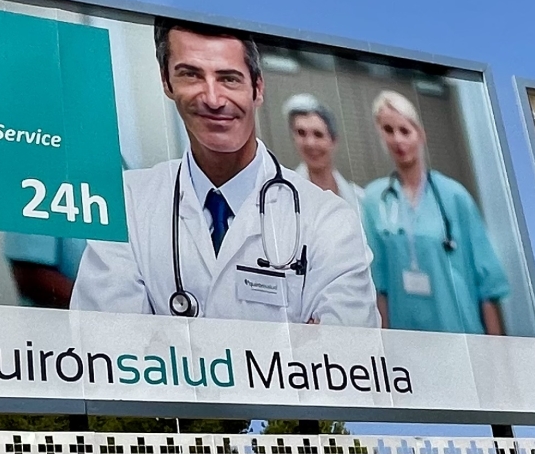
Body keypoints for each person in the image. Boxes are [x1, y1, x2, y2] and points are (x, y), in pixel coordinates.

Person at [69, 20, 377, 325]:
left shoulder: (330, 219)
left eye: (229, 79)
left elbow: (347, 352)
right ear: (166, 81)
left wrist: (161, 339)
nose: (213, 99)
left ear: (258, 88)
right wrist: (293, 344)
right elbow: (106, 345)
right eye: (191, 75)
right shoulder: (126, 204)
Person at [360, 90, 510, 335]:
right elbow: (378, 286)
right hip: (405, 337)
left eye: (405, 130)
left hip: (459, 332)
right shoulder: (374, 200)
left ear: (420, 134)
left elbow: (488, 286)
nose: (397, 139)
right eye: (388, 130)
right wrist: (383, 347)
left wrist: (496, 351)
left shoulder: (454, 196)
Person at [282, 93, 363, 215]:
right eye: (301, 133)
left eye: (318, 134)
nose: (310, 143)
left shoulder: (359, 199)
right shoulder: (283, 198)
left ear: (334, 141)